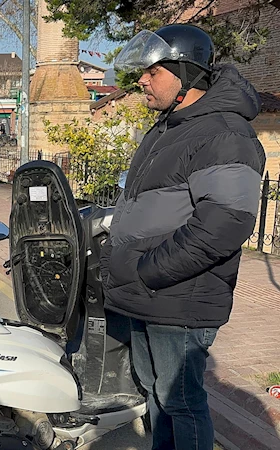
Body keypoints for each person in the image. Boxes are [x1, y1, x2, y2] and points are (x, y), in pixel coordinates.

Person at [103, 24, 265, 450]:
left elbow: (226, 221)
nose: (142, 80)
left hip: (178, 295)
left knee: (183, 401)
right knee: (156, 391)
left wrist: (149, 270)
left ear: (186, 72)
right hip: (146, 294)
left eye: (153, 71)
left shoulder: (224, 132)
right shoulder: (168, 128)